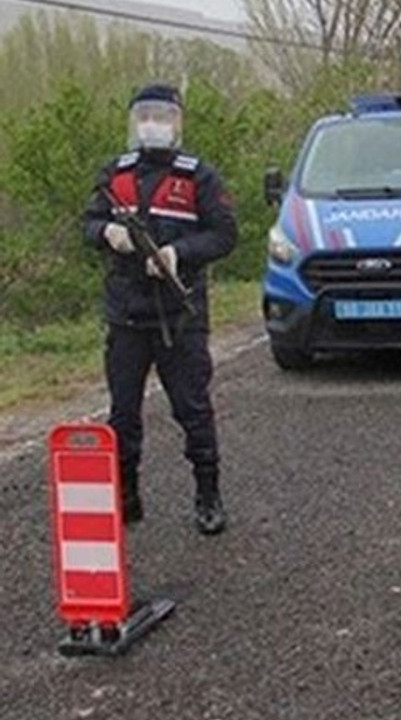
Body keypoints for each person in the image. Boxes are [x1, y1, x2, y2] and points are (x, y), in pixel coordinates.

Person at [83, 83, 237, 534]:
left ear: (176, 122)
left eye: (161, 116)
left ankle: (208, 494)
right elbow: (88, 222)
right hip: (126, 315)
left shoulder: (198, 177)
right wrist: (106, 234)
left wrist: (178, 254)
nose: (152, 123)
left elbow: (225, 235)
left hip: (180, 315)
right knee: (123, 414)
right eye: (144, 115)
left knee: (193, 409)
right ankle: (126, 494)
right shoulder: (115, 173)